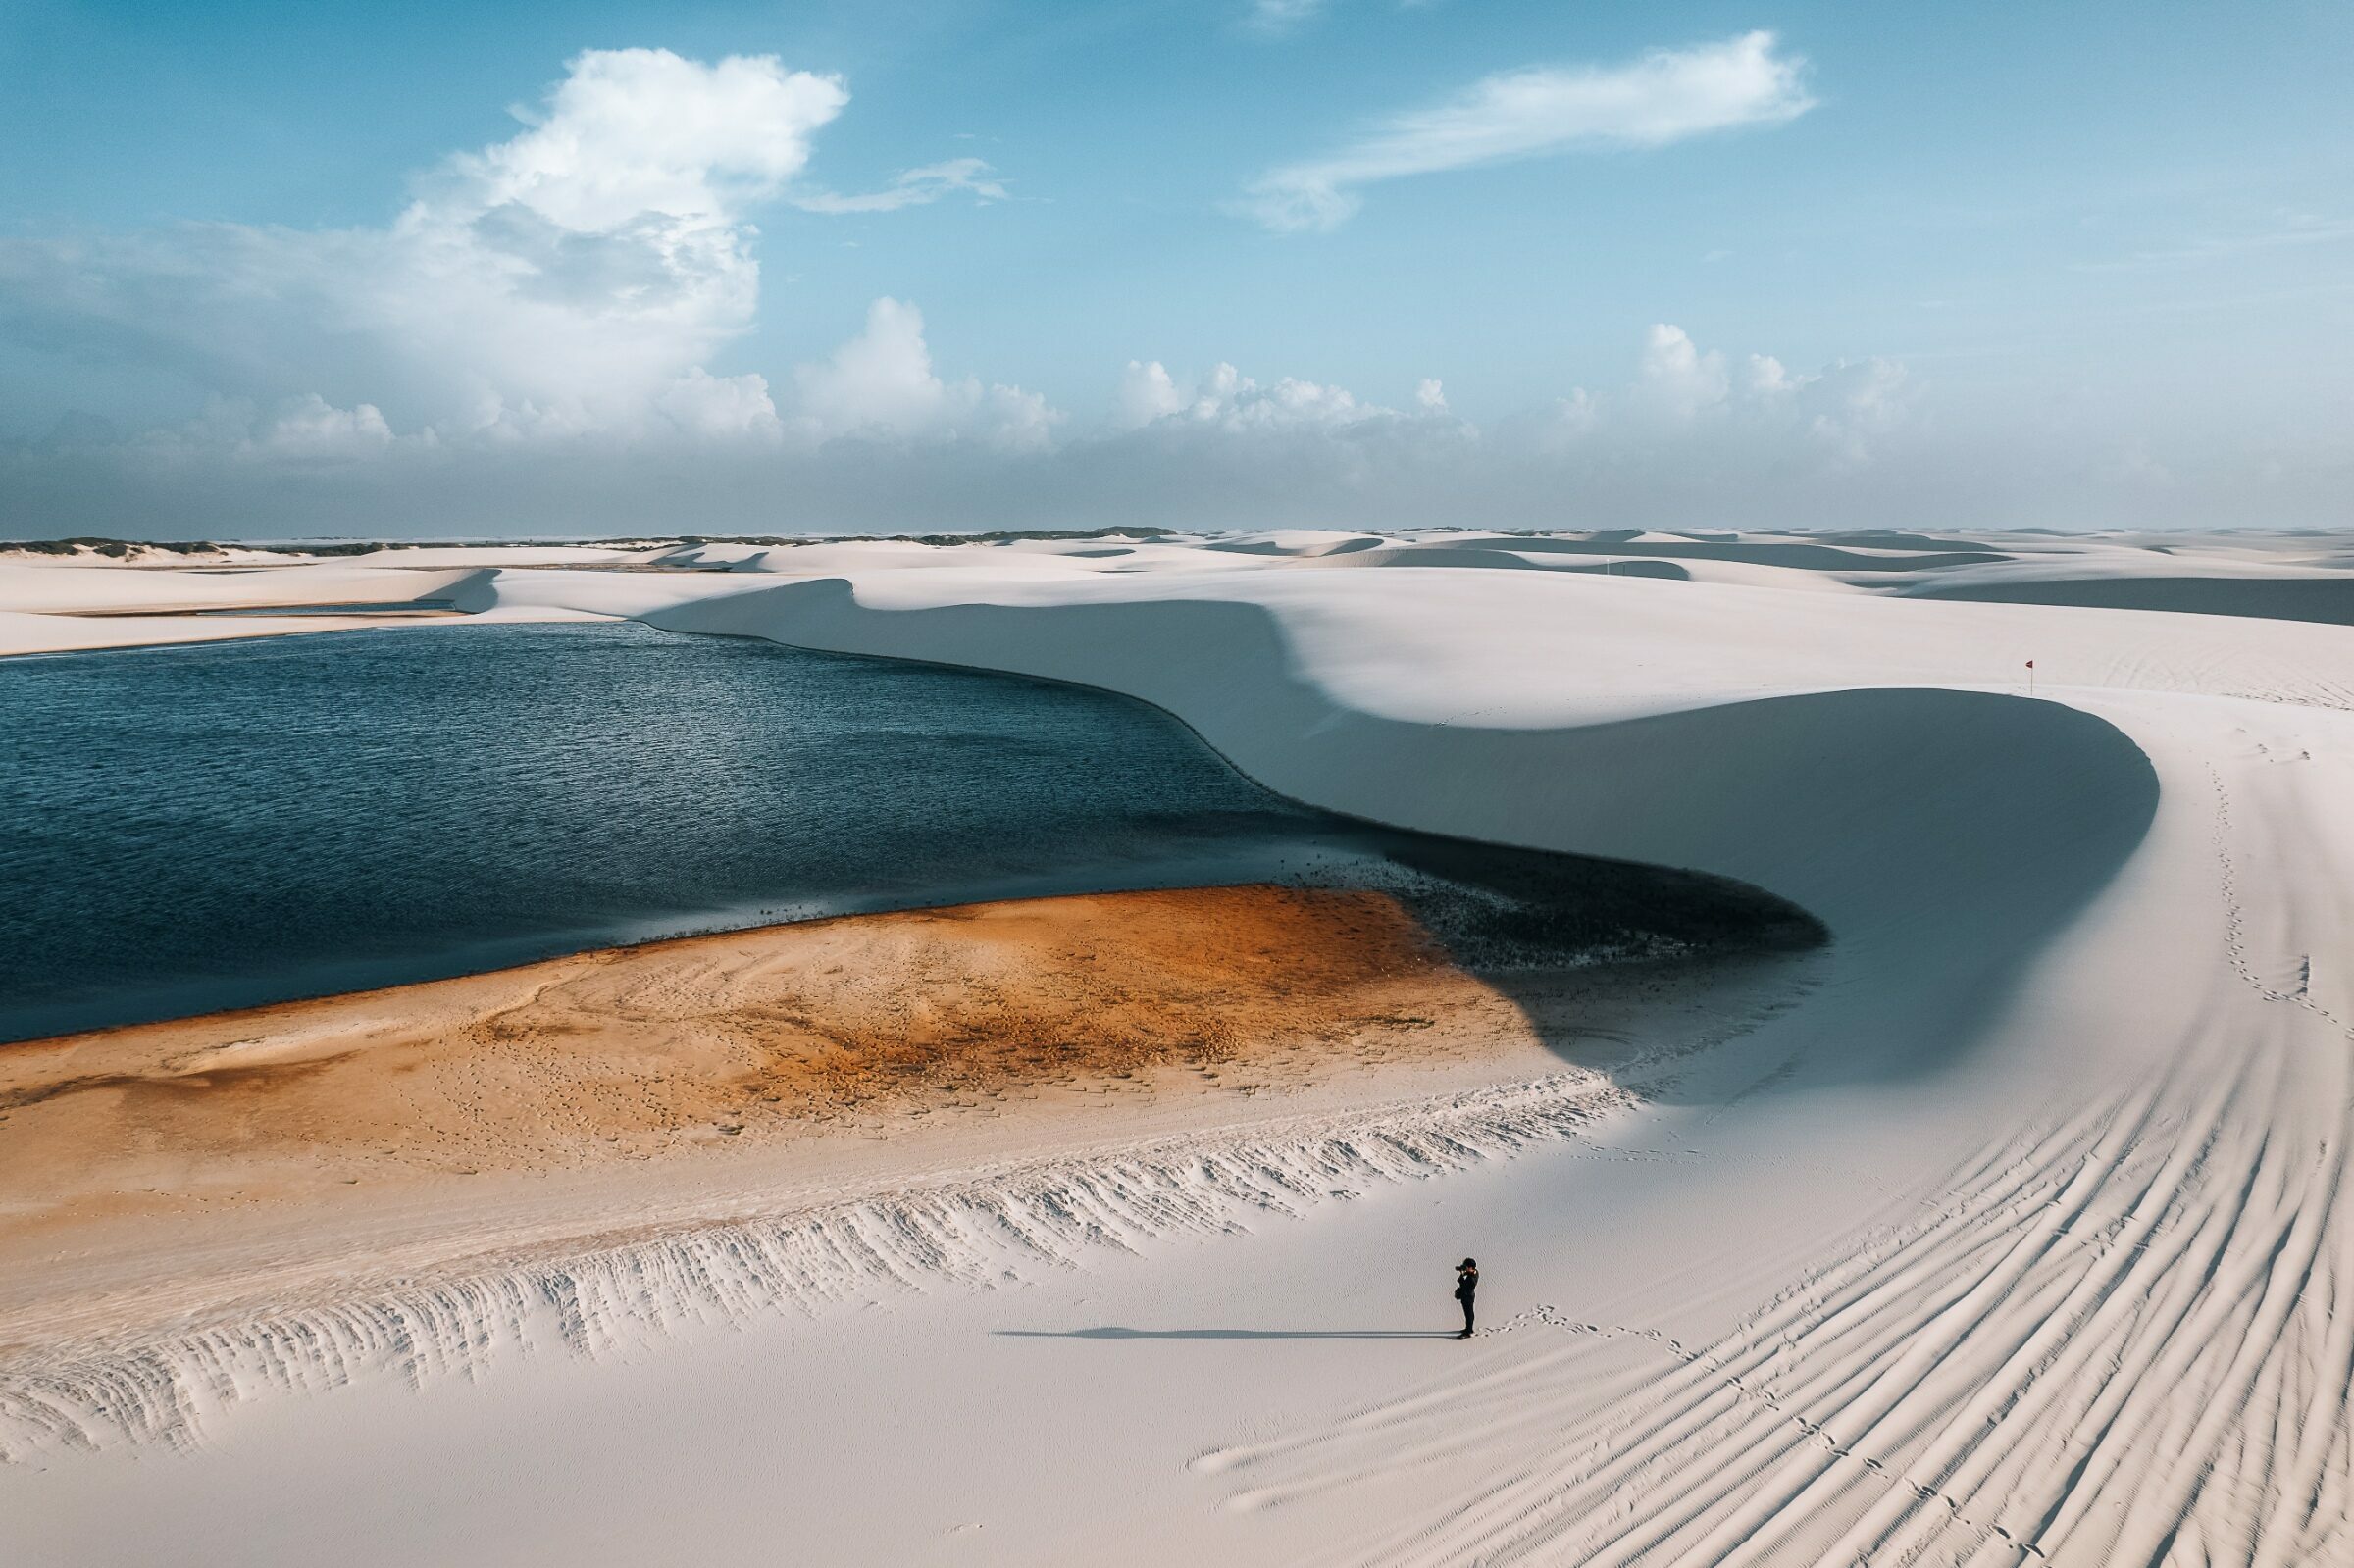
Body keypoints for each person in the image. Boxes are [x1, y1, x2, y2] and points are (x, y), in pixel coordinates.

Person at [1454, 1258, 1478, 1339]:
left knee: (1469, 1314)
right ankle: (1468, 1329)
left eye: (1466, 1266)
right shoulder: (1474, 1271)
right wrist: (1463, 1271)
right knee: (1468, 1313)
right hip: (1467, 1296)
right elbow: (1469, 1273)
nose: (1465, 1267)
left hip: (1468, 1297)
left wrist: (1461, 1279)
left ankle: (1468, 1332)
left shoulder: (1472, 1279)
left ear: (1471, 1267)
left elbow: (1466, 1286)